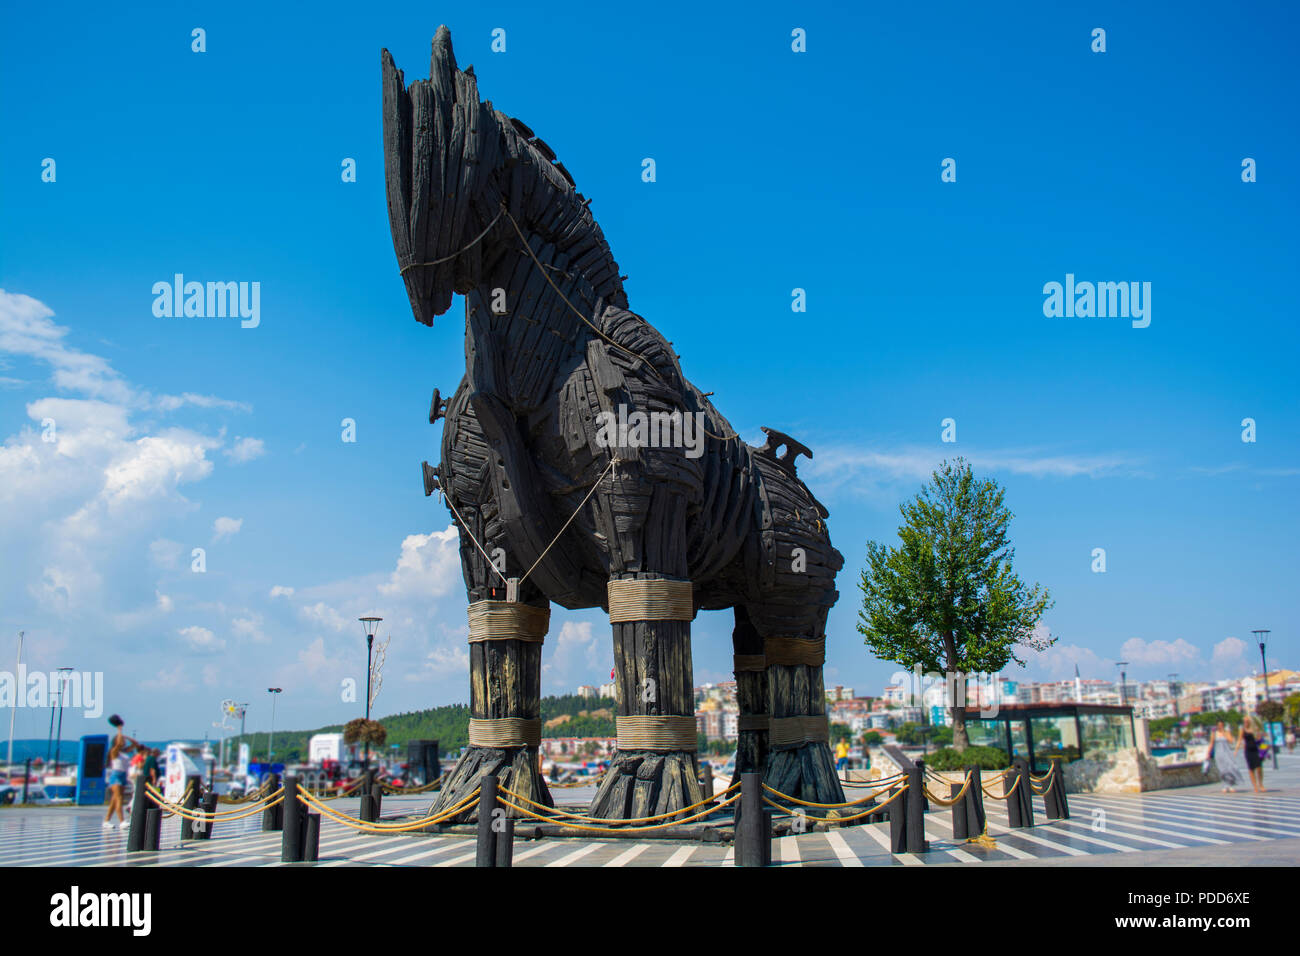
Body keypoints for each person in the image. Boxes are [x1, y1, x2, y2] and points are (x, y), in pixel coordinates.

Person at [102, 715, 141, 830]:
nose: (123, 742)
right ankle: (122, 821)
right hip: (116, 775)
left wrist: (126, 737)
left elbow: (135, 744)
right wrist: (119, 729)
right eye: (122, 740)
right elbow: (118, 744)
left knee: (115, 800)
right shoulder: (114, 751)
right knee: (119, 798)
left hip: (122, 775)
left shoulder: (124, 752)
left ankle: (106, 820)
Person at [1207, 720, 1242, 793]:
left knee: (1230, 768)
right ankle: (1225, 785)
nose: (1220, 726)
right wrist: (1208, 753)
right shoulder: (1214, 733)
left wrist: (1224, 733)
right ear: (1217, 726)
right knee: (1222, 770)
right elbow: (1211, 743)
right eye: (1219, 725)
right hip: (1219, 754)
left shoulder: (1226, 732)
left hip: (1227, 753)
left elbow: (1231, 741)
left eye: (1222, 725)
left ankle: (1230, 785)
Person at [1236, 715, 1266, 793]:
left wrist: (1264, 751)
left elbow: (1261, 740)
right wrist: (1236, 750)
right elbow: (1239, 740)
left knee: (1259, 768)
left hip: (1256, 750)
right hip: (1248, 751)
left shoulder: (1255, 729)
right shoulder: (1242, 729)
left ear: (1250, 721)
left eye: (1247, 721)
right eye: (1244, 721)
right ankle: (1255, 786)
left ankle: (1261, 784)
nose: (1245, 722)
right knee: (1251, 769)